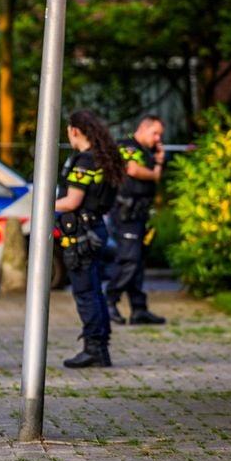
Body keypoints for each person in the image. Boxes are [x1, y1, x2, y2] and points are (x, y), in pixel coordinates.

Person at [55, 110, 124, 369]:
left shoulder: (84, 162)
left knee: (85, 293)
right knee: (94, 291)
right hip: (95, 229)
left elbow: (73, 201)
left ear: (74, 130)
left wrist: (42, 204)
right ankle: (100, 348)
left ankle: (94, 349)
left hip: (81, 235)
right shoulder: (102, 158)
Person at [106, 115, 167, 325]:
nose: (158, 139)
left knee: (138, 262)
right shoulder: (127, 146)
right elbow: (131, 169)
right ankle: (109, 300)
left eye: (160, 135)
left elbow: (154, 176)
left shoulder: (147, 153)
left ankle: (139, 309)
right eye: (155, 133)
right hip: (125, 213)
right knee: (129, 260)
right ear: (143, 128)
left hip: (139, 214)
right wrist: (154, 172)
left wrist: (158, 163)